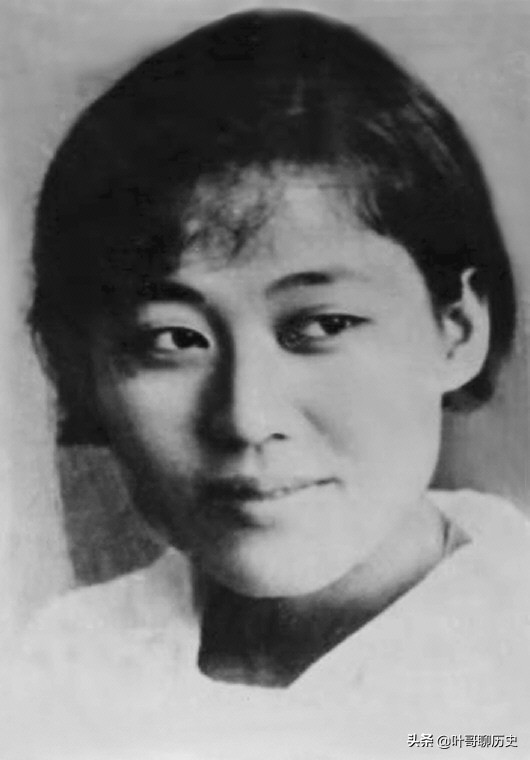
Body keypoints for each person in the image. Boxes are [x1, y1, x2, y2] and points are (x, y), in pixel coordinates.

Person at [8, 7, 530, 759]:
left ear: (457, 330)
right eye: (173, 339)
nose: (247, 417)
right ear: (84, 369)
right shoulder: (61, 666)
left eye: (321, 325)